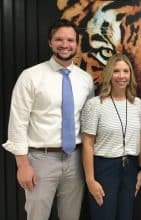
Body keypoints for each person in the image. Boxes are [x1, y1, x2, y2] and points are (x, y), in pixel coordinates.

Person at [2, 19, 94, 220]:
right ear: (50, 42)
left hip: (75, 160)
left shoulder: (85, 80)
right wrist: (22, 165)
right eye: (59, 39)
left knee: (71, 217)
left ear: (76, 44)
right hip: (40, 160)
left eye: (70, 40)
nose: (65, 44)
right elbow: (17, 123)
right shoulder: (30, 77)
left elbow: (88, 122)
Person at [80, 53, 141, 220]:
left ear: (131, 75)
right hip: (104, 169)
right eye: (116, 71)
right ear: (109, 74)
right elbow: (87, 144)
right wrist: (90, 180)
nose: (121, 76)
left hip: (130, 168)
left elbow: (139, 137)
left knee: (126, 216)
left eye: (126, 71)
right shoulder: (95, 105)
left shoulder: (138, 104)